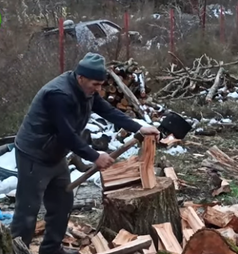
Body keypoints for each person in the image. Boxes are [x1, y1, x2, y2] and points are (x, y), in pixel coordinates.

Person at [11, 52, 160, 254]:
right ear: (81, 77)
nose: (98, 89)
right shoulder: (59, 95)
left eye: (101, 84)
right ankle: (16, 251)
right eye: (95, 84)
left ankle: (51, 250)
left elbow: (108, 111)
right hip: (34, 154)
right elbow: (66, 133)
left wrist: (138, 128)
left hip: (54, 153)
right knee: (28, 210)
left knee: (62, 204)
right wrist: (95, 156)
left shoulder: (87, 91)